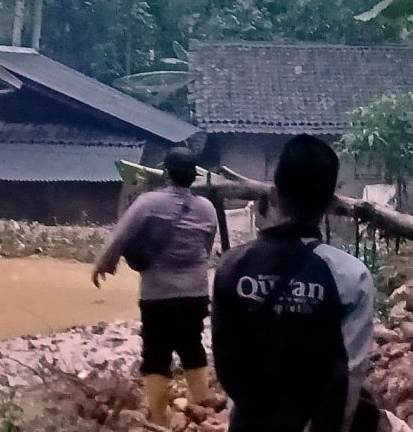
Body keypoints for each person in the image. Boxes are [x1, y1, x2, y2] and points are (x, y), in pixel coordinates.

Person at [212, 134, 375, 432]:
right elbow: (349, 374)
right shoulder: (353, 276)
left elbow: (226, 363)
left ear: (273, 194)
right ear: (332, 203)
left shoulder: (231, 267)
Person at [92, 148, 219, 426]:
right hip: (195, 293)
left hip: (158, 294)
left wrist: (103, 264)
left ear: (166, 173)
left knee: (156, 354)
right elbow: (206, 249)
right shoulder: (207, 208)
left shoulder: (148, 203)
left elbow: (120, 237)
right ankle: (204, 413)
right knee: (192, 347)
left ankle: (159, 420)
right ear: (192, 176)